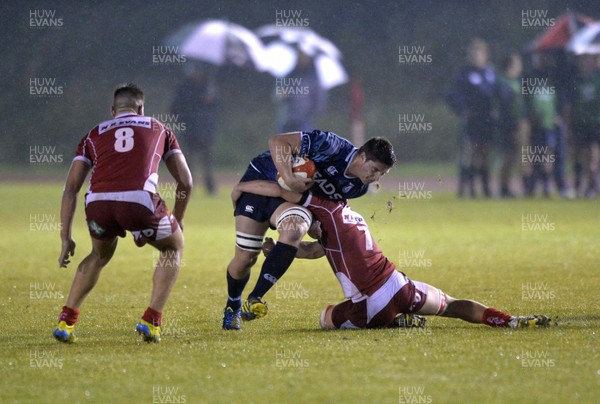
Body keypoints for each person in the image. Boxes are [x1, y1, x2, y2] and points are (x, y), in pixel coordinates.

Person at [232, 180, 552, 330]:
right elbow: (316, 250)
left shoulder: (324, 212)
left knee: (325, 317)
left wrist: (243, 189)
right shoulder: (347, 218)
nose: (303, 225)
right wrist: (285, 250)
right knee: (452, 305)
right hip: (401, 286)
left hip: (372, 306)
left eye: (305, 221)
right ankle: (507, 320)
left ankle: (395, 323)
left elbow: (283, 192)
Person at [54, 83, 193, 343]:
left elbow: (70, 189)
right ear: (140, 108)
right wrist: (179, 219)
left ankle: (66, 320)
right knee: (173, 247)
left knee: (98, 254)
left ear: (112, 110)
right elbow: (186, 182)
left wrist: (66, 237)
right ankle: (151, 321)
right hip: (139, 201)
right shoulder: (159, 128)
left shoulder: (92, 133)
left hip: (98, 203)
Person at [222, 130, 395, 330]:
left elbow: (322, 211)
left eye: (381, 174)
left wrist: (315, 228)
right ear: (363, 156)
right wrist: (288, 178)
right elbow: (277, 141)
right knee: (245, 259)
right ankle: (233, 304)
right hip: (261, 182)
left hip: (290, 201)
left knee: (295, 228)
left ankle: (255, 297)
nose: (376, 178)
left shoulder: (356, 188)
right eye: (375, 170)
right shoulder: (332, 145)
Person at [447, 38, 498, 198]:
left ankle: (486, 189)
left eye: (480, 53)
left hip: (487, 121)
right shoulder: (464, 73)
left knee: (485, 155)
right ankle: (466, 190)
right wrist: (463, 110)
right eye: (474, 53)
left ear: (485, 55)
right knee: (469, 156)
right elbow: (451, 95)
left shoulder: (491, 73)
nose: (477, 56)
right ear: (470, 55)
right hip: (471, 121)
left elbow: (497, 95)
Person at [171, 64, 218, 194]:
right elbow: (176, 107)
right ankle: (188, 185)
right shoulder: (184, 88)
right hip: (189, 129)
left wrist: (211, 100)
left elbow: (216, 108)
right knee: (187, 160)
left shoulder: (209, 87)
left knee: (207, 159)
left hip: (205, 128)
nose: (197, 73)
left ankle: (210, 187)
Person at [497, 53, 530, 198]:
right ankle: (504, 189)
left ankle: (527, 188)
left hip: (520, 123)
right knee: (508, 157)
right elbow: (505, 106)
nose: (520, 66)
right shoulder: (503, 82)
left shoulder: (517, 81)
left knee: (523, 157)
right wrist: (512, 126)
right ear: (510, 65)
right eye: (518, 63)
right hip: (510, 125)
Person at [274, 47, 327, 133]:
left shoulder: (314, 79)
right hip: (286, 120)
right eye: (299, 55)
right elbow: (277, 95)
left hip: (304, 122)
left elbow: (319, 102)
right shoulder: (289, 75)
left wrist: (309, 114)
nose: (301, 58)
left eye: (303, 55)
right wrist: (282, 96)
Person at [569, 54, 600, 198]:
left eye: (588, 61)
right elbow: (571, 104)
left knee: (593, 154)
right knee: (582, 155)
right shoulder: (576, 81)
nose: (585, 65)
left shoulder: (597, 79)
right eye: (582, 61)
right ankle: (584, 184)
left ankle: (592, 183)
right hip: (580, 124)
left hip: (596, 123)